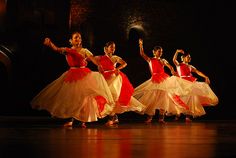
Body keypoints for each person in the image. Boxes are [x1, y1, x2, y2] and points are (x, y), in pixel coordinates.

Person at [31, 32, 115, 128]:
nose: (78, 39)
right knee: (72, 98)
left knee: (84, 98)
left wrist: (99, 65)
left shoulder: (84, 51)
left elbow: (92, 59)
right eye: (75, 38)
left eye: (79, 37)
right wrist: (50, 44)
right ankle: (71, 119)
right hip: (72, 75)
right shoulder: (68, 50)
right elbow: (57, 49)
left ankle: (82, 120)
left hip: (84, 75)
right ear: (71, 41)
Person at [133, 39, 192, 124]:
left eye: (161, 51)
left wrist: (172, 70)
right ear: (154, 52)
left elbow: (169, 66)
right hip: (154, 80)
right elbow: (142, 54)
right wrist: (141, 45)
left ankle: (161, 118)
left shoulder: (163, 60)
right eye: (159, 51)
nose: (160, 53)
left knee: (164, 99)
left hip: (163, 80)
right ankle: (149, 117)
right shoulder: (150, 60)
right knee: (152, 98)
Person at [94, 41, 146, 126]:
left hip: (114, 79)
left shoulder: (115, 57)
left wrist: (118, 68)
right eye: (111, 47)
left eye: (114, 47)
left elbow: (124, 63)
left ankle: (111, 119)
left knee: (113, 97)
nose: (113, 49)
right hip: (104, 79)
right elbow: (91, 58)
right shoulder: (100, 57)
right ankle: (115, 118)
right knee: (106, 97)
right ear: (106, 48)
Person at [172, 49, 219, 122]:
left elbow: (198, 72)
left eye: (190, 57)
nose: (189, 58)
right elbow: (174, 59)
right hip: (181, 82)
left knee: (191, 98)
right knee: (180, 98)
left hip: (190, 83)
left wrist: (206, 77)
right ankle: (177, 114)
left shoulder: (191, 66)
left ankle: (187, 116)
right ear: (183, 58)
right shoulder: (179, 64)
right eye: (188, 57)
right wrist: (177, 52)